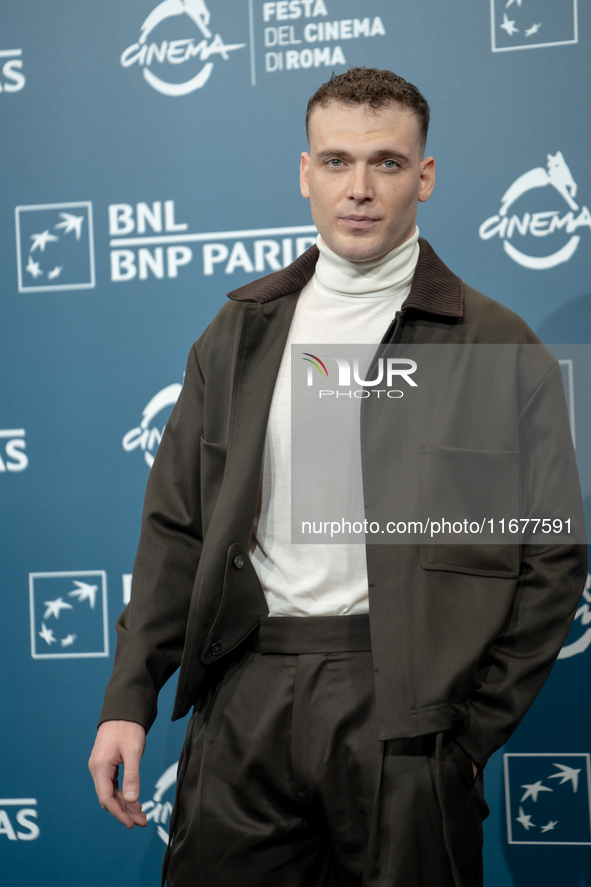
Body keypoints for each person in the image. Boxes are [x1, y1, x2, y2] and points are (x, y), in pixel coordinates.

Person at [89, 68, 587, 887]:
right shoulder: (238, 333)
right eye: (335, 161)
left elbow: (551, 561)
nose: (358, 188)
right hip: (247, 692)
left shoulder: (499, 346)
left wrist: (464, 734)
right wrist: (127, 696)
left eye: (386, 163)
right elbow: (177, 527)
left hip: (405, 713)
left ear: (423, 176)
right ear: (304, 173)